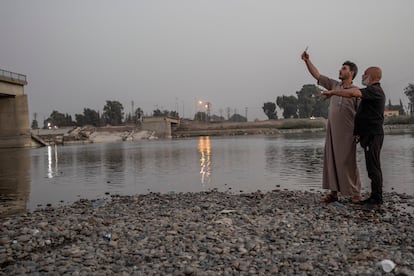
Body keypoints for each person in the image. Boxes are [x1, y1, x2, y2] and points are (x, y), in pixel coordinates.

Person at [301, 51, 361, 203]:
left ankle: (355, 193)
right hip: (332, 132)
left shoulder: (356, 91)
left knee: (349, 163)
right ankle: (333, 193)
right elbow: (317, 76)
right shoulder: (334, 85)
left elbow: (361, 114)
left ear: (352, 72)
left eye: (344, 68)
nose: (340, 70)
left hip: (349, 134)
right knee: (331, 160)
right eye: (341, 68)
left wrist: (360, 132)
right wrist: (307, 61)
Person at [321, 67, 385, 208]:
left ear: (372, 76)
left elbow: (353, 93)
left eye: (365, 74)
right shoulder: (370, 91)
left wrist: (332, 92)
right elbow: (362, 113)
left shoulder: (374, 90)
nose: (363, 76)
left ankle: (376, 199)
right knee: (371, 167)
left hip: (373, 135)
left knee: (374, 168)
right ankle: (373, 198)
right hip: (367, 135)